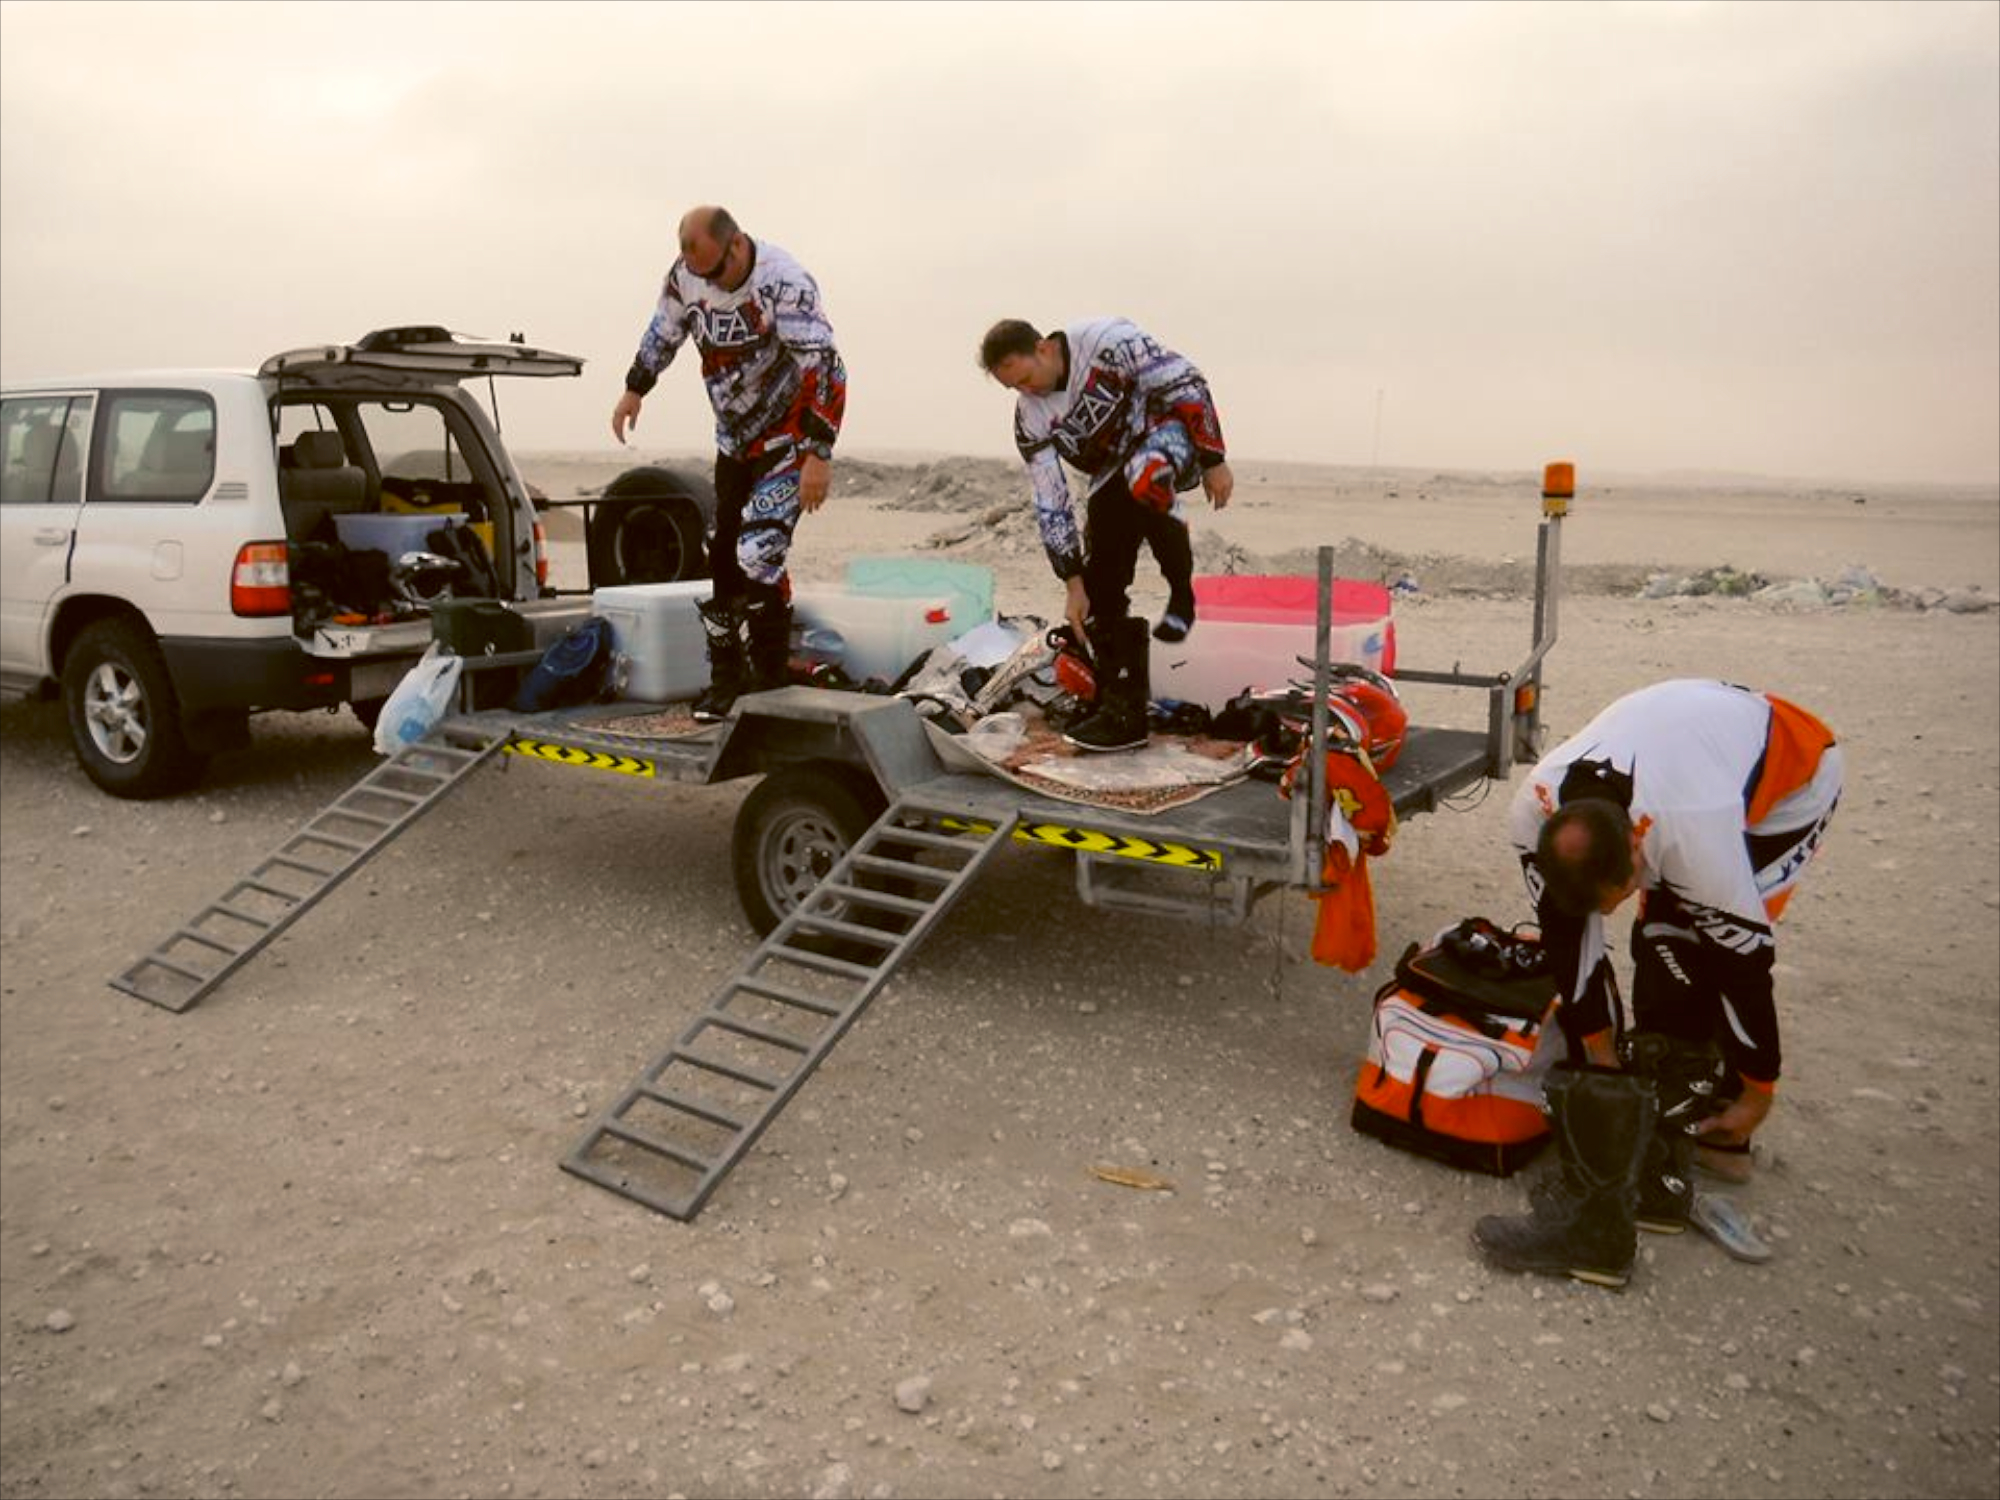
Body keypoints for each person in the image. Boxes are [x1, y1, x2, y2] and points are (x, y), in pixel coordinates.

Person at [1473, 677, 1843, 1287]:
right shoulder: (1532, 814)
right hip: (1689, 753)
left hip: (1791, 777)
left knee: (1684, 945)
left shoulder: (1694, 830)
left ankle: (1717, 1139)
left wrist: (1759, 1091)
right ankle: (1655, 1174)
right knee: (1660, 944)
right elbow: (1571, 945)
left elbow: (1745, 969)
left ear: (1640, 849)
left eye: (1621, 895)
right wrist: (1599, 1055)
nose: (1613, 911)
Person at [611, 205, 847, 722]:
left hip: (788, 438)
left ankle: (768, 677)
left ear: (737, 245)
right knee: (719, 555)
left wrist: (818, 454)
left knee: (757, 552)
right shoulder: (685, 277)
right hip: (734, 440)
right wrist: (635, 387)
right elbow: (663, 331)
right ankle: (727, 680)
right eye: (700, 274)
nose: (709, 283)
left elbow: (826, 366)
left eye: (716, 272)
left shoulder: (784, 283)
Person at [978, 317, 1233, 753]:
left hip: (1166, 436)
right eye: (1014, 388)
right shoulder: (1030, 417)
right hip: (1112, 471)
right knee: (1099, 587)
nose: (1027, 393)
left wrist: (1213, 458)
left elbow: (1185, 381)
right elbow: (1051, 499)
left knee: (1144, 478)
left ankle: (1179, 589)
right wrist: (1072, 583)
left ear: (1043, 349)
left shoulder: (1108, 343)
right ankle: (1121, 709)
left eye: (1026, 379)